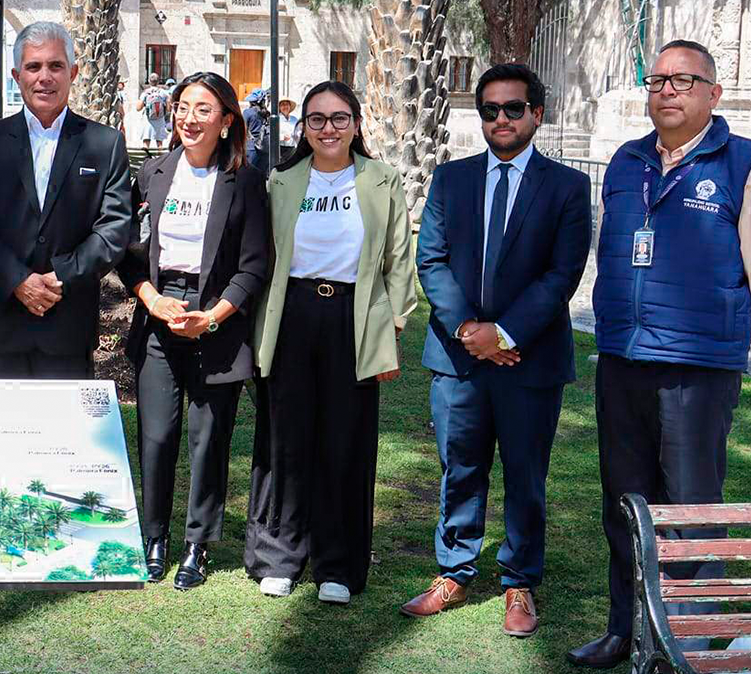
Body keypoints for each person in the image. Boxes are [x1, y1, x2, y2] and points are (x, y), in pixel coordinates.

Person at [569, 40, 751, 669]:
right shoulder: (627, 161)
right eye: (657, 80)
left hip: (697, 368)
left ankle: (693, 638)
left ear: (713, 93)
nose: (667, 90)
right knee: (625, 506)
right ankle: (627, 630)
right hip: (622, 360)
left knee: (690, 511)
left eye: (683, 80)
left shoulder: (741, 163)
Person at [403, 63, 591, 637]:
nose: (501, 119)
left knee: (526, 475)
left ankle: (519, 581)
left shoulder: (567, 186)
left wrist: (504, 334)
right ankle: (453, 571)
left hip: (530, 360)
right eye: (490, 109)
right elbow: (431, 260)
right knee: (459, 468)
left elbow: (562, 275)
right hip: (458, 359)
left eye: (513, 108)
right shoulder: (450, 179)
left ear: (537, 113)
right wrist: (470, 331)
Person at [245, 80, 416, 604]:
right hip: (292, 315)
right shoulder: (281, 181)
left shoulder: (382, 180)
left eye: (339, 118)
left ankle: (337, 565)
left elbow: (399, 260)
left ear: (356, 124)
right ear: (303, 128)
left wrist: (394, 327)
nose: (328, 129)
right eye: (316, 119)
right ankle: (279, 556)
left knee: (346, 440)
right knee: (286, 439)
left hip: (353, 318)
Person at [118, 72, 268, 591]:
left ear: (226, 120)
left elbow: (254, 264)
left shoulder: (245, 181)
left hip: (217, 318)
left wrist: (213, 316)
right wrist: (153, 300)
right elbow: (127, 253)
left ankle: (197, 545)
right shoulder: (153, 173)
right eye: (182, 106)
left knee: (208, 441)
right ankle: (154, 537)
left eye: (203, 109)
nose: (188, 118)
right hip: (158, 315)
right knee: (157, 434)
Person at [0, 21, 131, 379]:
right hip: (1, 325)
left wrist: (61, 276)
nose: (44, 77)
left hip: (69, 327)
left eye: (56, 66)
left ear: (73, 73)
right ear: (17, 76)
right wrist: (18, 280)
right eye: (33, 66)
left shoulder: (106, 144)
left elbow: (114, 228)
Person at [138, 72, 170, 149]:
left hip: (148, 119)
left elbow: (138, 108)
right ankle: (160, 155)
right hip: (160, 119)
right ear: (158, 81)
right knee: (159, 142)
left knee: (146, 140)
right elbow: (168, 108)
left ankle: (146, 155)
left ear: (149, 81)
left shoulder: (145, 92)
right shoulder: (163, 92)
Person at [243, 89, 270, 176]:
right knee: (262, 176)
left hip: (251, 148)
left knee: (248, 175)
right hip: (265, 147)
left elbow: (243, 130)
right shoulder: (267, 113)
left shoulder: (247, 112)